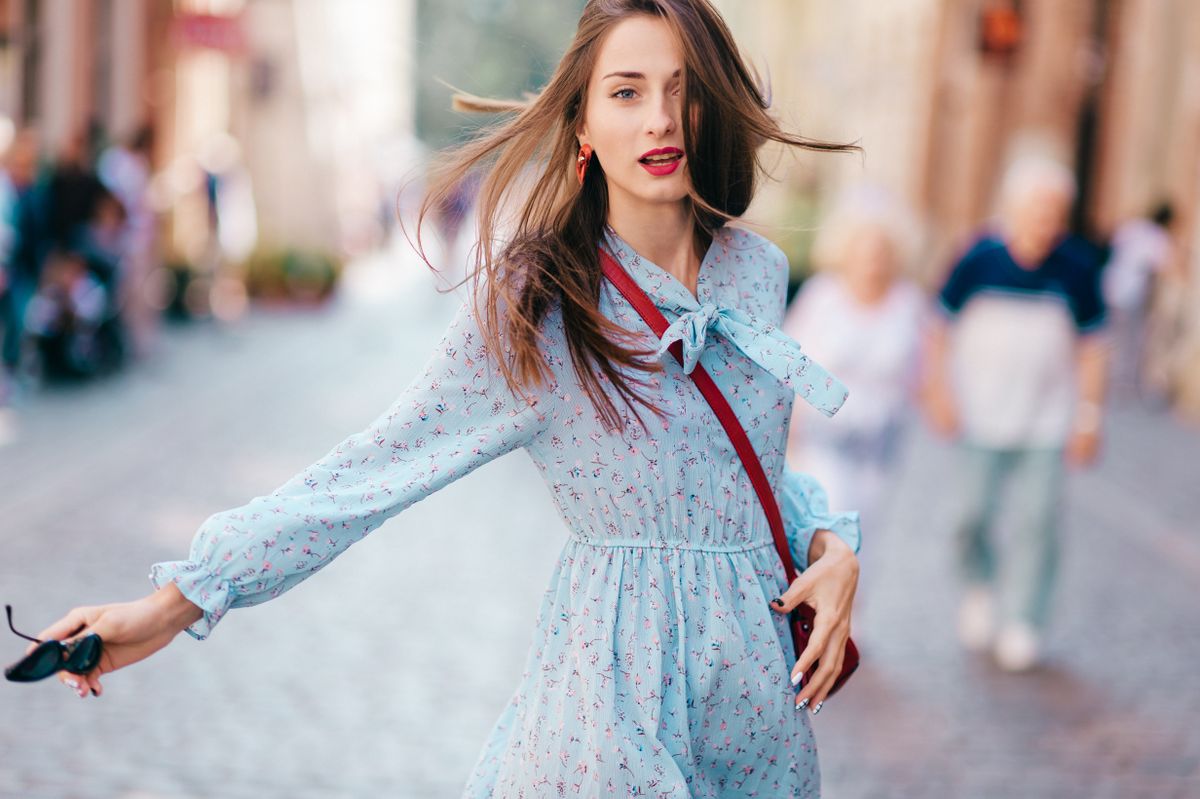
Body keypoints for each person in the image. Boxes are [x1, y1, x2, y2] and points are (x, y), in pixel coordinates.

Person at [23, 2, 862, 794]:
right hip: (617, 703)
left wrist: (831, 548)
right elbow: (370, 471)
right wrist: (179, 601)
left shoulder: (756, 272)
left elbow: (741, 470)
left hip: (761, 712)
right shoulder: (541, 300)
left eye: (684, 93)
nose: (659, 121)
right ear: (582, 124)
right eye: (627, 92)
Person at [923, 154, 1107, 672]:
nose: (1046, 221)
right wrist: (938, 390)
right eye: (1037, 209)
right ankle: (980, 588)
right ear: (1012, 208)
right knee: (970, 516)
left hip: (1046, 421)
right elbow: (938, 328)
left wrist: (1089, 417)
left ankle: (1024, 619)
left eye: (1055, 211)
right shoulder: (978, 258)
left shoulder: (1078, 267)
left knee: (1038, 522)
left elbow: (1094, 347)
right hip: (980, 416)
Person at [782, 185, 925, 551]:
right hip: (821, 442)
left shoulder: (909, 304)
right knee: (829, 534)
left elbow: (918, 374)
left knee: (864, 541)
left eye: (882, 249)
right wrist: (788, 430)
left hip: (878, 447)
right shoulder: (823, 295)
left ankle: (850, 609)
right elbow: (791, 363)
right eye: (865, 247)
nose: (873, 258)